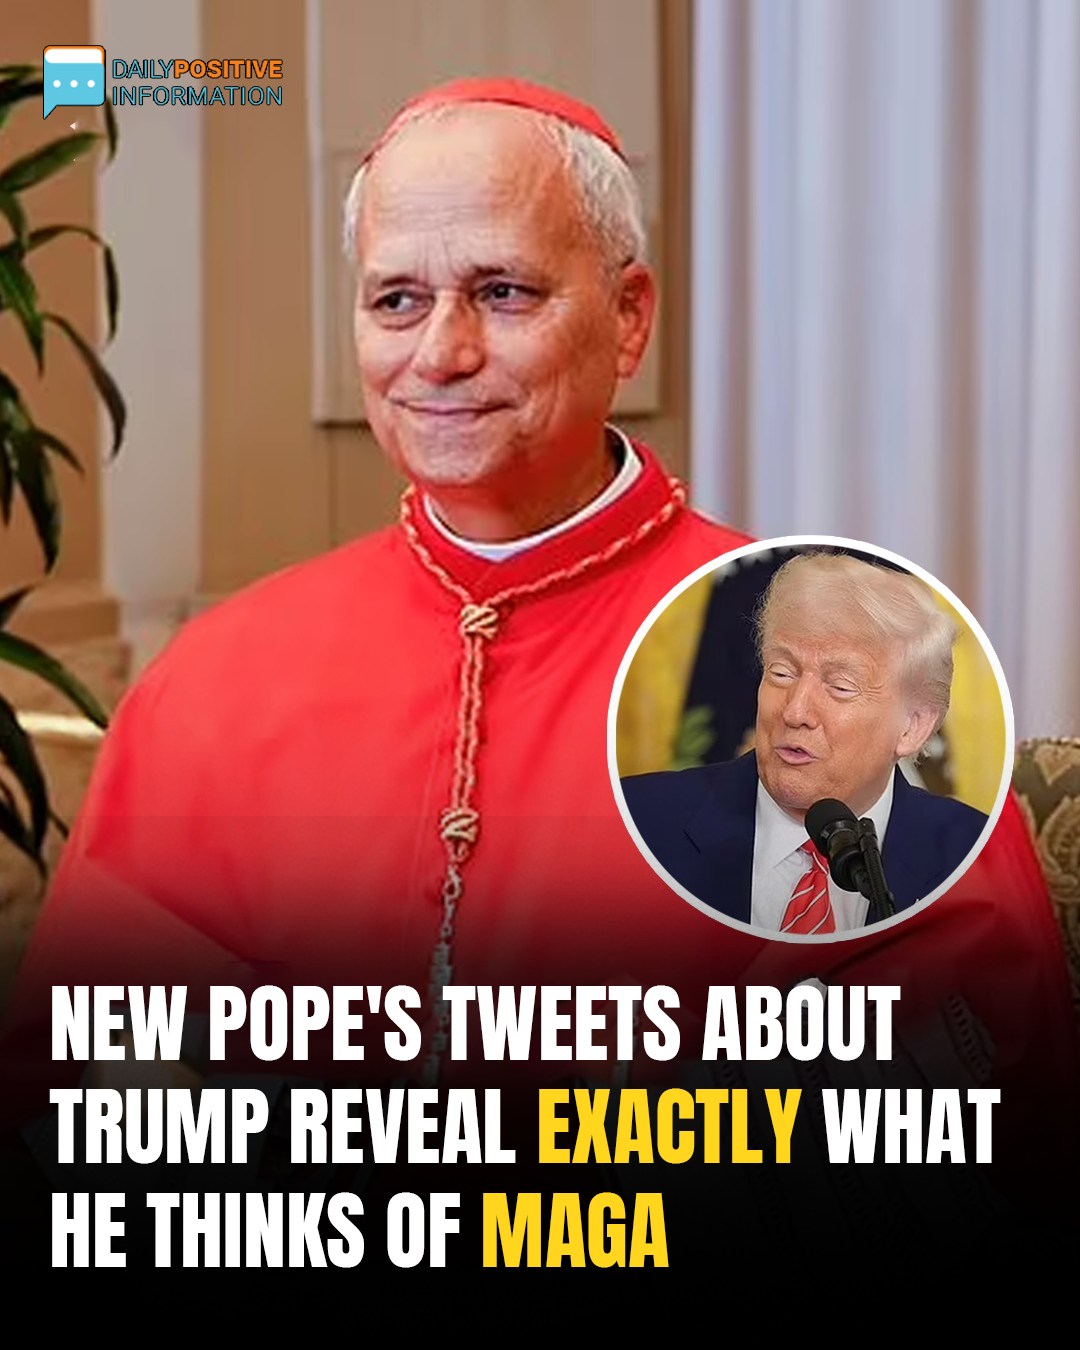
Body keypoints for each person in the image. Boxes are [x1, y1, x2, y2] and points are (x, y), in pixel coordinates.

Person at [0, 82, 1075, 1231]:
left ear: (628, 317)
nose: (442, 352)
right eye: (397, 300)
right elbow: (81, 1088)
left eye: (503, 292)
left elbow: (957, 1105)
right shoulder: (214, 679)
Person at [621, 553, 989, 932]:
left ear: (912, 728)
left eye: (840, 687)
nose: (795, 711)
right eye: (781, 673)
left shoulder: (979, 860)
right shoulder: (635, 822)